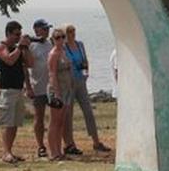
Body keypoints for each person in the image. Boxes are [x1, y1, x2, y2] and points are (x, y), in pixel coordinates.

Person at [62, 24, 110, 154]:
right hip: (69, 83)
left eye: (73, 31)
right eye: (69, 32)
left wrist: (86, 72)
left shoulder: (80, 45)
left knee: (88, 111)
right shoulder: (63, 47)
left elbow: (85, 60)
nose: (72, 34)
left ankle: (96, 141)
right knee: (68, 114)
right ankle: (70, 143)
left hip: (81, 81)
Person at [0, 20, 33, 163]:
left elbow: (30, 64)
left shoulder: (19, 49)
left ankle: (10, 150)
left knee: (15, 123)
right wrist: (20, 47)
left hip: (18, 89)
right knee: (7, 123)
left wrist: (26, 48)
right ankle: (6, 152)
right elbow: (9, 60)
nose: (18, 37)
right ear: (8, 33)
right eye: (16, 34)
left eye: (20, 34)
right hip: (7, 90)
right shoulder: (0, 47)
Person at [47, 27, 74, 161]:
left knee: (62, 121)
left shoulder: (64, 51)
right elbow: (52, 74)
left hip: (67, 89)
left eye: (62, 37)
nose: (61, 40)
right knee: (55, 122)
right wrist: (57, 93)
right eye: (57, 38)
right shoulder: (53, 54)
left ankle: (59, 150)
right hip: (57, 90)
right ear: (53, 39)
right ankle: (53, 152)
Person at [28, 18, 53, 158]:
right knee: (39, 117)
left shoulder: (50, 43)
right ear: (36, 29)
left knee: (54, 116)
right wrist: (28, 86)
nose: (47, 31)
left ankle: (53, 143)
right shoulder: (31, 45)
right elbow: (25, 66)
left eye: (48, 28)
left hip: (51, 86)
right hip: (38, 85)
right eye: (44, 28)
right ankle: (40, 145)